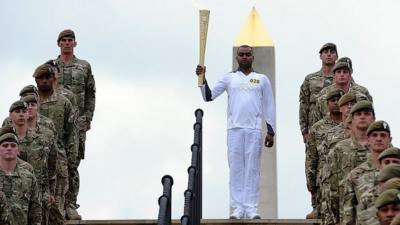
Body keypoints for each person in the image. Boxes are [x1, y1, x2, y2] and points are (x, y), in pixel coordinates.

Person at [195, 45, 276, 219]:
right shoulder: (229, 78)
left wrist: (271, 131)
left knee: (252, 169)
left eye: (248, 55)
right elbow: (208, 96)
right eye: (241, 55)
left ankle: (252, 208)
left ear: (253, 57)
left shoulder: (261, 79)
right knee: (236, 169)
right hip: (234, 129)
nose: (244, 57)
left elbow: (269, 105)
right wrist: (202, 77)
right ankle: (238, 208)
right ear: (237, 58)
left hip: (254, 129)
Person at [54, 29, 96, 220]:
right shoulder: (51, 67)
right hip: (55, 123)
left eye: (70, 40)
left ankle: (70, 204)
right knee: (53, 163)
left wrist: (88, 117)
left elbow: (90, 93)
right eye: (63, 40)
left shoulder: (84, 67)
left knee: (72, 163)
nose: (67, 43)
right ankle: (56, 204)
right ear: (59, 44)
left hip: (77, 124)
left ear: (75, 43)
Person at [342, 121, 392, 225]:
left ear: (390, 140)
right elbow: (348, 216)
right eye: (374, 135)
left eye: (383, 135)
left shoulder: (397, 172)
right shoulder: (355, 175)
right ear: (368, 139)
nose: (379, 138)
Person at [305, 88, 342, 219]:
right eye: (333, 100)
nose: (337, 103)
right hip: (324, 178)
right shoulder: (317, 128)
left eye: (339, 100)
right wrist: (311, 182)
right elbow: (311, 157)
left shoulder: (350, 126)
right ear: (327, 104)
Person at [0, 126, 42, 225]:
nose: (9, 148)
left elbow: (35, 211)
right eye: (5, 145)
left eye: (13, 145)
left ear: (18, 150)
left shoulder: (29, 178)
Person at [299, 43, 337, 144]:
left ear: (337, 57)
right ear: (320, 56)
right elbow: (304, 105)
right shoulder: (310, 79)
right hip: (315, 129)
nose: (329, 55)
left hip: (338, 130)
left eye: (332, 52)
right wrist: (304, 131)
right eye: (325, 52)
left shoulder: (343, 79)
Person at [314, 58, 372, 123]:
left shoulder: (361, 97)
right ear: (333, 75)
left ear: (350, 75)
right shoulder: (323, 97)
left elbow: (369, 119)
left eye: (345, 72)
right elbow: (316, 122)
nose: (342, 75)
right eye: (339, 72)